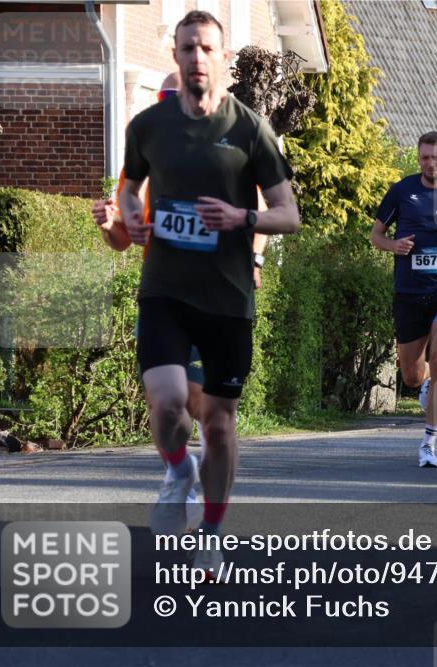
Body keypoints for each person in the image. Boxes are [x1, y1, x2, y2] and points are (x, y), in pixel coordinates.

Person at [119, 10, 300, 574]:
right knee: (168, 401)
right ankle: (177, 471)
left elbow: (289, 215)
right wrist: (133, 220)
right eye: (187, 48)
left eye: (207, 49)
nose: (197, 58)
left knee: (219, 423)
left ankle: (213, 532)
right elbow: (128, 192)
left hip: (226, 300)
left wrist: (241, 217)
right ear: (175, 56)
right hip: (165, 291)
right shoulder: (148, 127)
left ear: (224, 58)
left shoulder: (249, 129)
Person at [371, 132, 437, 466]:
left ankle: (429, 442)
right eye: (425, 157)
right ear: (419, 159)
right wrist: (393, 246)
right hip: (410, 290)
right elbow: (376, 235)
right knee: (412, 376)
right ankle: (426, 382)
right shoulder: (401, 191)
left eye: (436, 157)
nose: (431, 163)